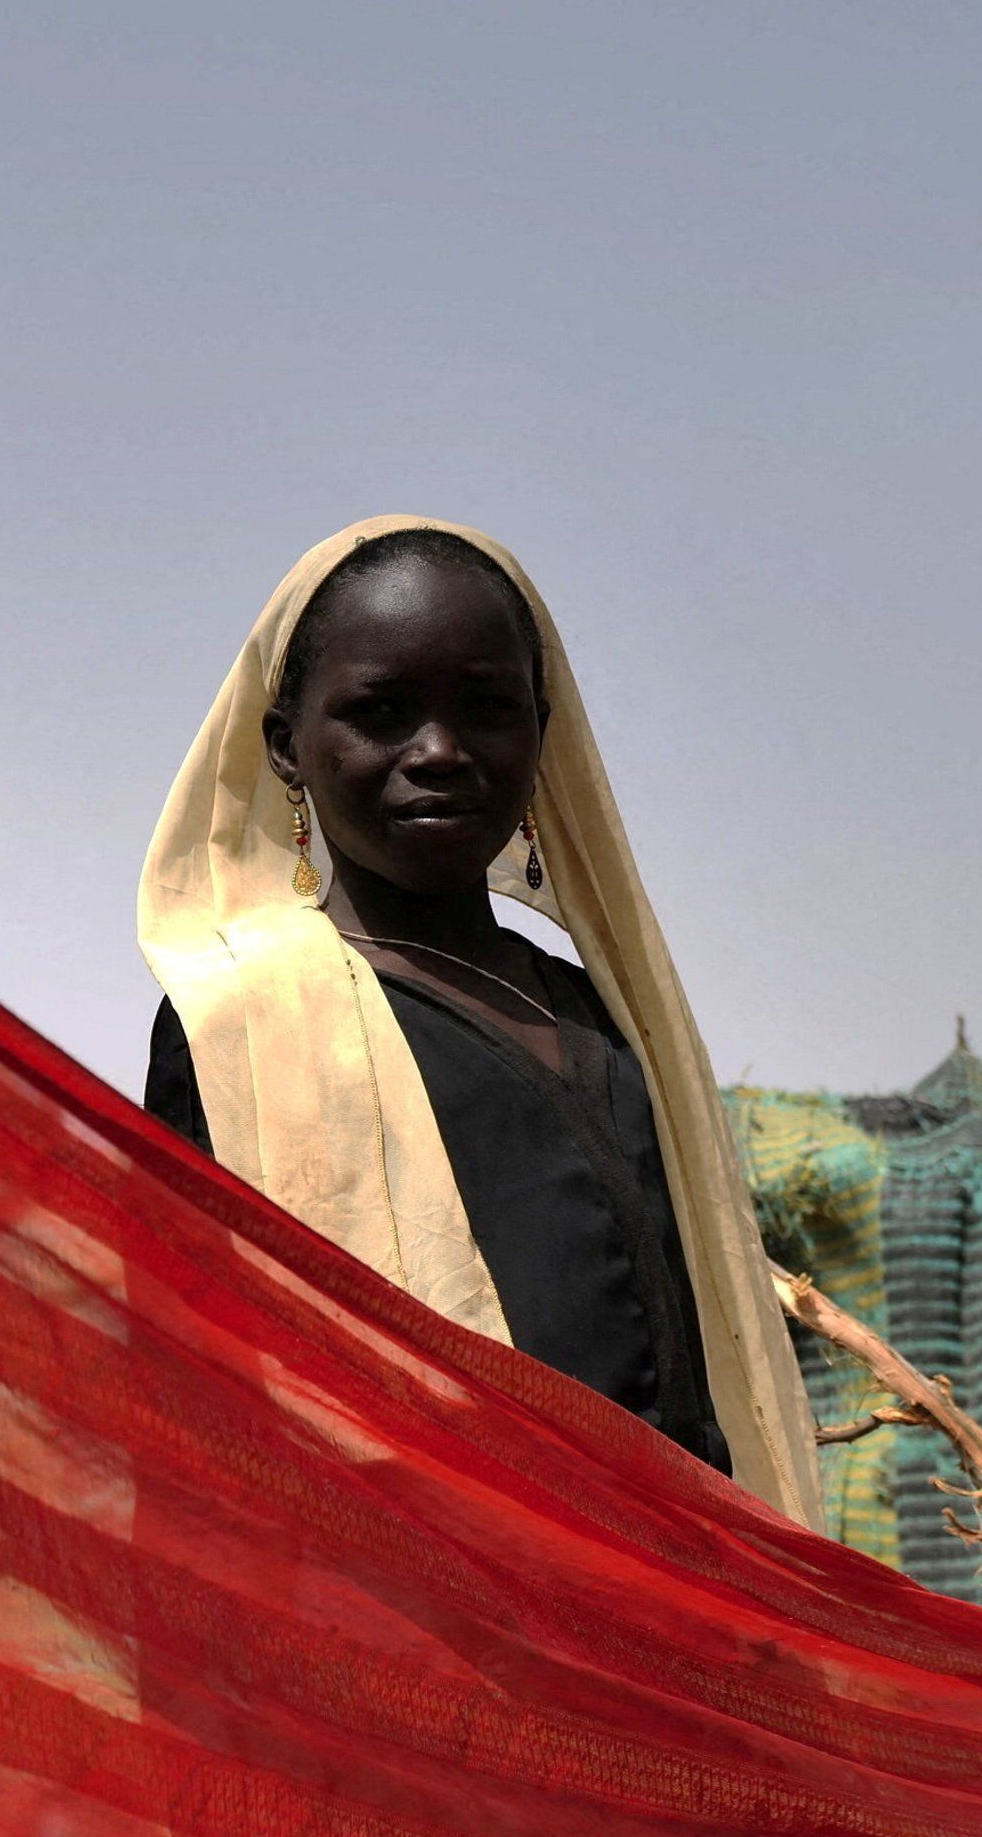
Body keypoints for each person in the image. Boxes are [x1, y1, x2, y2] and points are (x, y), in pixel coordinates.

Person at [136, 515, 818, 1512]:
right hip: (420, 1633)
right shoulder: (244, 1027)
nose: (440, 751)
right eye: (380, 710)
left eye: (487, 709)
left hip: (673, 1618)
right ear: (287, 747)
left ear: (543, 731)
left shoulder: (605, 1023)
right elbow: (191, 1412)